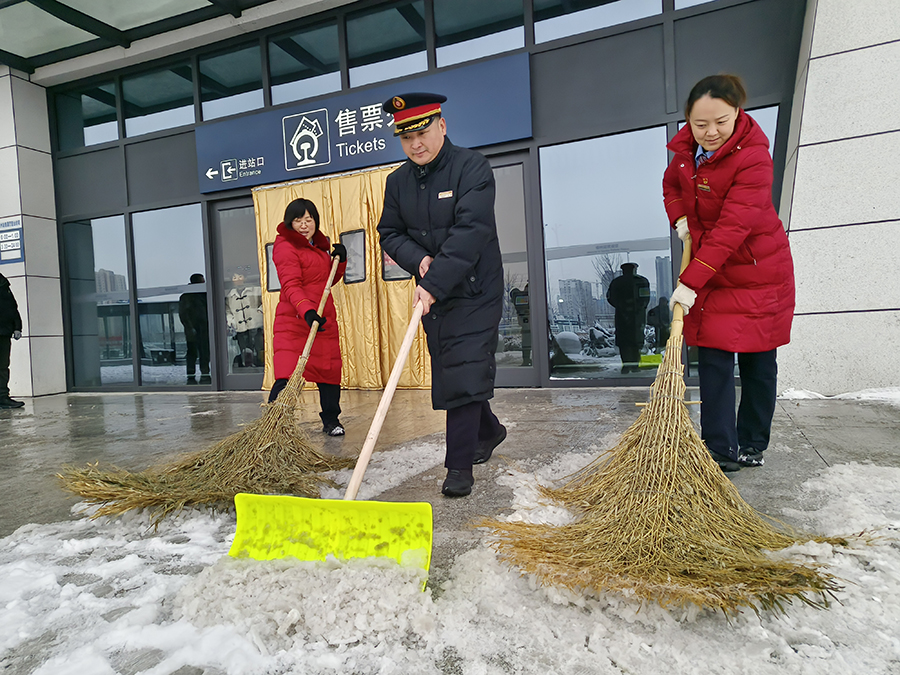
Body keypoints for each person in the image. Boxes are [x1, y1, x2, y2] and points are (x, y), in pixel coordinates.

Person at [663, 74, 795, 472]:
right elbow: (670, 186)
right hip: (712, 268)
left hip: (757, 271)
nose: (710, 132)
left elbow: (734, 228)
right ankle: (720, 448)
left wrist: (689, 282)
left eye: (720, 121)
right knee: (715, 359)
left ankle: (751, 443)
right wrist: (681, 219)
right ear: (689, 119)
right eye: (700, 124)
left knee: (757, 360)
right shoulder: (686, 151)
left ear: (737, 112)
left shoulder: (754, 157)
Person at [378, 92, 507, 497]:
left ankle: (458, 468)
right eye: (405, 136)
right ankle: (490, 430)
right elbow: (390, 233)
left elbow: (471, 233)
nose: (415, 143)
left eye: (422, 132)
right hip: (435, 292)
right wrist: (419, 262)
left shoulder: (472, 169)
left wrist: (432, 283)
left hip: (475, 290)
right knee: (456, 370)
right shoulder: (396, 183)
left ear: (442, 126)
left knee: (464, 367)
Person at [269, 198, 348, 436]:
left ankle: (331, 421)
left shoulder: (319, 248)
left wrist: (340, 262)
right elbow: (291, 284)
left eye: (308, 219)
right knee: (287, 373)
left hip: (322, 320)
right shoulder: (285, 246)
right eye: (298, 220)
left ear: (315, 221)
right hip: (294, 320)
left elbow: (326, 282)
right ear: (289, 223)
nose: (304, 225)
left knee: (329, 372)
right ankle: (273, 423)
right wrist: (306, 310)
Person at [606, 262, 650, 373]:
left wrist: (622, 306)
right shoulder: (642, 281)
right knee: (635, 341)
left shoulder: (616, 282)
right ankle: (634, 365)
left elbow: (610, 298)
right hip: (636, 316)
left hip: (622, 316)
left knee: (624, 342)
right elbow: (645, 299)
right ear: (635, 269)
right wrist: (638, 308)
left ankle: (626, 365)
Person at [226, 271, 264, 368]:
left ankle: (262, 368)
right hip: (240, 328)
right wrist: (232, 320)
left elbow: (265, 302)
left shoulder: (256, 290)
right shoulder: (230, 295)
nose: (238, 280)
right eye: (234, 278)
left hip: (256, 326)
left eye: (240, 276)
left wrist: (259, 312)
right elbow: (228, 311)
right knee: (245, 352)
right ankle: (247, 369)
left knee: (260, 350)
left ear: (245, 278)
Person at [178, 273, 210, 385]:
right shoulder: (187, 296)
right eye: (202, 281)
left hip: (203, 328)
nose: (204, 283)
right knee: (193, 352)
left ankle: (204, 373)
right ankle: (192, 374)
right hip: (194, 329)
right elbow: (183, 314)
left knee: (204, 351)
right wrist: (190, 327)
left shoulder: (204, 294)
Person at [0, 272, 25, 409]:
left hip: (3, 332)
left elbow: (12, 307)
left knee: (2, 367)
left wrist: (17, 327)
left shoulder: (3, 283)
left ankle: (2, 397)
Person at [509, 284, 531, 366]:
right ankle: (526, 360)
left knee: (526, 344)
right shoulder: (524, 301)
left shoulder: (521, 301)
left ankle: (526, 360)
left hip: (527, 325)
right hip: (527, 326)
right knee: (526, 344)